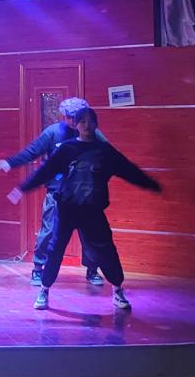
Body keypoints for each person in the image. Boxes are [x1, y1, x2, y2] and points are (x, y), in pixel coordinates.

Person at [11, 107, 160, 311]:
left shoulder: (105, 151)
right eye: (83, 121)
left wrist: (151, 184)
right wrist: (23, 188)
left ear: (96, 124)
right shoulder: (66, 149)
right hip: (67, 209)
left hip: (92, 210)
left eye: (91, 121)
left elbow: (129, 170)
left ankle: (117, 291)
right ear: (76, 124)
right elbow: (46, 171)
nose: (87, 125)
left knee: (106, 250)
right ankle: (44, 290)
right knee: (55, 250)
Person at [0, 97, 107, 287]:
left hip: (85, 194)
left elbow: (108, 154)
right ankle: (38, 268)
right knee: (49, 231)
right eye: (69, 117)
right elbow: (31, 152)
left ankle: (92, 269)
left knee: (90, 233)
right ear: (64, 116)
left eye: (77, 117)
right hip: (57, 192)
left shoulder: (91, 132)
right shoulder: (53, 132)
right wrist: (10, 162)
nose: (73, 121)